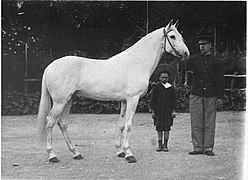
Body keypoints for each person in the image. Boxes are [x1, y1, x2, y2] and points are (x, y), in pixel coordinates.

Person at [186, 33, 225, 156]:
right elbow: (189, 75)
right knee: (196, 121)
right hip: (196, 94)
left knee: (209, 122)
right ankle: (197, 147)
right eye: (200, 45)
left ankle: (208, 147)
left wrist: (220, 96)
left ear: (210, 46)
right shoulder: (194, 60)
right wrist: (189, 89)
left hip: (211, 94)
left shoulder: (217, 62)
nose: (202, 47)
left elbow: (220, 80)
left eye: (204, 44)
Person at [150, 71, 177, 152]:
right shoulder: (156, 88)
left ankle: (165, 145)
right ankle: (159, 144)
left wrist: (173, 111)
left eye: (166, 77)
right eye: (162, 77)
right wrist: (152, 111)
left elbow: (174, 100)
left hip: (168, 111)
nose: (164, 79)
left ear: (168, 78)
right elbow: (152, 100)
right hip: (158, 110)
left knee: (166, 127)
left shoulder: (171, 88)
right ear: (159, 78)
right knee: (159, 128)